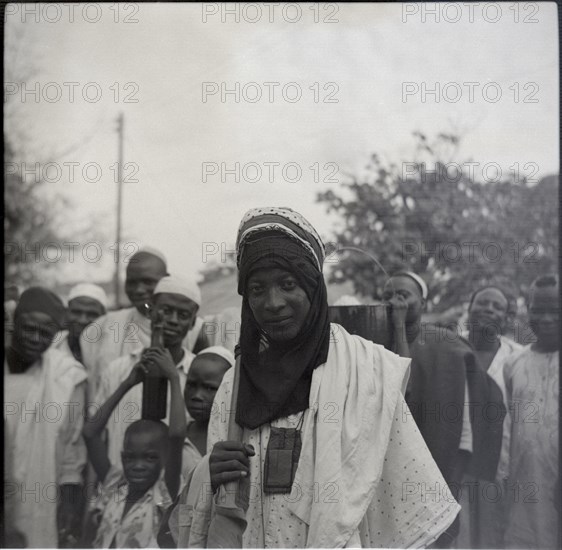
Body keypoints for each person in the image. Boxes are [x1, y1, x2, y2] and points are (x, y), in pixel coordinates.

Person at [173, 207, 460, 548]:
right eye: (257, 288)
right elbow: (219, 511)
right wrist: (210, 472)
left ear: (313, 286)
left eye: (288, 284)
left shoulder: (365, 372)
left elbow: (415, 505)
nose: (273, 302)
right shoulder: (234, 386)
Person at [383, 271, 506, 547]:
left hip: (437, 478)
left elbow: (464, 434)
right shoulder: (371, 344)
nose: (394, 302)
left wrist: (451, 488)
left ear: (423, 304)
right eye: (387, 296)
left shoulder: (448, 347)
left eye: (403, 295)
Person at [4, 287, 88, 548]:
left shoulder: (67, 376)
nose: (35, 339)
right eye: (28, 329)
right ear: (14, 324)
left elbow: (73, 452)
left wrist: (70, 503)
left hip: (39, 494)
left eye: (45, 333)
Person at [82, 346, 186, 548]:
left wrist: (173, 377)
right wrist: (127, 384)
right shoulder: (115, 484)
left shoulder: (165, 493)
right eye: (130, 457)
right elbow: (89, 433)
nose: (137, 466)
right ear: (122, 457)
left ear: (165, 458)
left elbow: (176, 435)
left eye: (150, 458)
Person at [92, 274, 200, 467]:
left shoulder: (199, 375)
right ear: (150, 312)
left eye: (183, 315)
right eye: (166, 311)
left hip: (176, 493)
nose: (173, 320)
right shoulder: (118, 371)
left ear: (192, 322)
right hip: (121, 491)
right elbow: (95, 433)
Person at [80, 248, 207, 395]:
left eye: (147, 281)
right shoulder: (102, 326)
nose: (139, 290)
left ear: (165, 279)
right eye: (132, 282)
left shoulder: (196, 330)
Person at [456, 285, 523, 548]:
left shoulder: (516, 358)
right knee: (459, 534)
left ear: (507, 318)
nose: (488, 309)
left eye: (498, 307)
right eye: (482, 303)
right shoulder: (449, 347)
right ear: (470, 309)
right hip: (455, 464)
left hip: (500, 465)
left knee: (492, 536)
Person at [503, 274, 559, 549]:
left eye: (555, 310)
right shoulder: (514, 363)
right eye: (539, 309)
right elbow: (508, 429)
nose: (546, 318)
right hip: (525, 491)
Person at [182, 346, 235, 478]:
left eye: (210, 388)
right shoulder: (176, 438)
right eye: (191, 385)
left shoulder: (234, 441)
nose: (197, 395)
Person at [51, 283, 107, 365]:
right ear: (66, 313)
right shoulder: (52, 345)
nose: (82, 320)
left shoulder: (112, 349)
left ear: (104, 317)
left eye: (92, 314)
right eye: (76, 312)